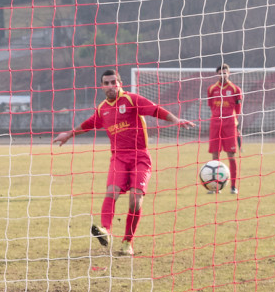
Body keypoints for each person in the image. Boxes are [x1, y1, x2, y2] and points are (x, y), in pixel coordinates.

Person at [54, 69, 196, 256]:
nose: (110, 86)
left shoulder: (131, 100)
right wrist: (69, 134)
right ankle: (105, 229)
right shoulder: (102, 108)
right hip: (119, 158)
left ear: (120, 83)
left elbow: (155, 110)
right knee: (111, 191)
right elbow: (88, 124)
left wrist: (176, 120)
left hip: (140, 157)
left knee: (135, 200)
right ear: (102, 86)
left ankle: (127, 242)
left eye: (114, 82)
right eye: (106, 83)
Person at [207, 64, 242, 195]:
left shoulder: (235, 89)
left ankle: (233, 186)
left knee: (231, 156)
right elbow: (211, 105)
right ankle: (215, 186)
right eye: (220, 73)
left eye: (225, 73)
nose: (223, 75)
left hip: (230, 124)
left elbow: (238, 109)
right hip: (215, 123)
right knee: (215, 155)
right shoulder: (211, 89)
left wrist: (235, 121)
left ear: (229, 73)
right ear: (217, 74)